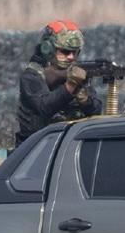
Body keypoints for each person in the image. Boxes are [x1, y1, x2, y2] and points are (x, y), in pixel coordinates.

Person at [13, 19, 101, 147]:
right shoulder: (32, 76)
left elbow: (97, 111)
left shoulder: (76, 72)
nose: (71, 57)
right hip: (35, 148)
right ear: (48, 49)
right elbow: (44, 107)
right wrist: (70, 87)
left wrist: (85, 100)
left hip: (70, 144)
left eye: (75, 52)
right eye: (65, 51)